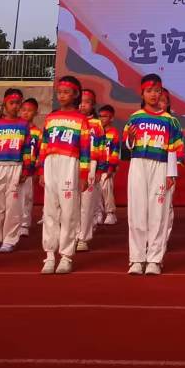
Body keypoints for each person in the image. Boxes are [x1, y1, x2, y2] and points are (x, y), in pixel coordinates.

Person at [122, 73, 181, 274]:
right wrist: (130, 139)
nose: (154, 95)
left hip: (161, 166)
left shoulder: (170, 121)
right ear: (142, 93)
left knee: (159, 213)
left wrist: (171, 174)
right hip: (138, 164)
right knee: (137, 211)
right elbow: (128, 146)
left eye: (157, 91)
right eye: (149, 91)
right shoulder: (135, 117)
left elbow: (174, 148)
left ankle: (155, 259)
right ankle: (137, 259)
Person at [38, 75, 92, 273]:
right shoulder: (51, 118)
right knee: (50, 210)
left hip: (70, 163)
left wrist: (84, 174)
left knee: (69, 211)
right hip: (51, 163)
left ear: (75, 94)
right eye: (59, 92)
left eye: (66, 92)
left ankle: (66, 255)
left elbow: (85, 149)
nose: (62, 96)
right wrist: (42, 170)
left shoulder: (81, 119)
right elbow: (44, 145)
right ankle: (50, 255)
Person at [0, 89, 30, 254]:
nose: (15, 106)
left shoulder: (23, 125)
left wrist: (26, 168)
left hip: (16, 166)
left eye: (18, 103)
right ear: (5, 103)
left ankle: (10, 239)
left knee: (13, 206)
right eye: (12, 103)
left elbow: (26, 149)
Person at [76, 88, 105, 251]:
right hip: (74, 162)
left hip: (91, 165)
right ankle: (72, 234)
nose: (83, 105)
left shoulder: (97, 124)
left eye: (87, 102)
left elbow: (101, 148)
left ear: (93, 105)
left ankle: (83, 237)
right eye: (81, 101)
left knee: (87, 203)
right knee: (72, 203)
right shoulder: (73, 120)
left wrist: (99, 169)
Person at [16, 96, 42, 243]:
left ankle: (24, 224)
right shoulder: (17, 128)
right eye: (23, 110)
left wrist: (38, 167)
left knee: (27, 197)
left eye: (29, 111)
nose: (26, 113)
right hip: (16, 166)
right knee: (14, 196)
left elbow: (40, 151)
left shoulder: (37, 132)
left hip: (30, 169)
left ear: (35, 113)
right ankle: (14, 222)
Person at [98, 103, 123, 226]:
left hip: (108, 167)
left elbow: (115, 152)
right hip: (97, 167)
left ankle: (110, 213)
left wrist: (111, 167)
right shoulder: (97, 132)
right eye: (100, 116)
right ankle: (98, 213)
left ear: (111, 118)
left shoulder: (114, 133)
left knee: (106, 188)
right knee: (96, 190)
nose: (102, 119)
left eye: (105, 116)